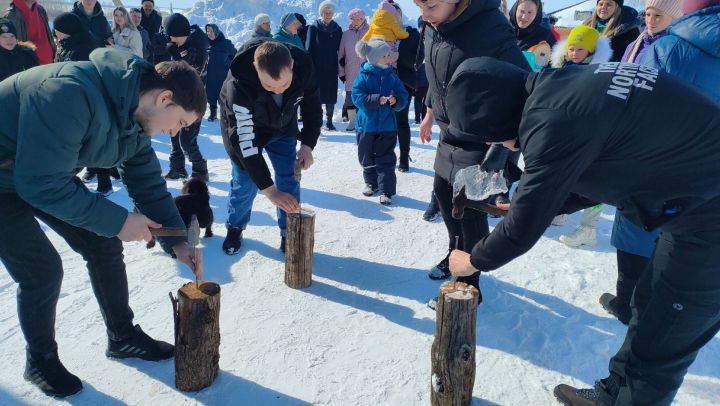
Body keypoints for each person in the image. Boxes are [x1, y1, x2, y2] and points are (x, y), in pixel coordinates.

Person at [442, 56, 720, 406]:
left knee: (661, 346)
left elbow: (521, 232)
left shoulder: (553, 121)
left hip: (709, 220)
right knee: (647, 308)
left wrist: (473, 261)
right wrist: (547, 201)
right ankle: (610, 396)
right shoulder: (561, 87)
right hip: (696, 206)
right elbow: (600, 167)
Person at [0, 48, 205, 398]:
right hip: (14, 180)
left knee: (103, 242)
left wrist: (177, 241)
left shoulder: (135, 119)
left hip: (41, 171)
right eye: (180, 122)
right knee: (42, 271)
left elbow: (148, 185)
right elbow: (39, 184)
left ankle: (122, 337)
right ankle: (40, 360)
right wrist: (119, 220)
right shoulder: (68, 92)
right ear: (164, 98)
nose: (175, 133)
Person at [602, 0, 716, 325]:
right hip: (706, 173)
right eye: (647, 14)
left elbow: (634, 107)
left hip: (654, 161)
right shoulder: (643, 42)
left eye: (658, 14)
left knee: (639, 229)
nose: (650, 20)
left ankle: (629, 305)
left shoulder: (669, 49)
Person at [412, 0, 530, 290]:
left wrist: (506, 142)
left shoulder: (489, 27)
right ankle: (455, 254)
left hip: (482, 134)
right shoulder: (433, 25)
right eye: (419, 6)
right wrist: (429, 113)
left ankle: (468, 280)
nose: (424, 15)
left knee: (467, 207)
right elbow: (436, 75)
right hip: (449, 129)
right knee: (442, 192)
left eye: (430, 6)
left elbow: (523, 82)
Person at [219, 40, 322, 255]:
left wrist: (307, 145)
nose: (277, 90)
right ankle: (235, 226)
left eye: (284, 85)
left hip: (283, 126)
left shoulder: (304, 67)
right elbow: (244, 141)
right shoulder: (238, 85)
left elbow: (312, 107)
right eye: (269, 87)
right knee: (245, 181)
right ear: (256, 69)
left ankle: (289, 230)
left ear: (292, 65)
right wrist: (269, 190)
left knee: (288, 178)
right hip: (245, 129)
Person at [352, 39, 408, 205]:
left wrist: (395, 100)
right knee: (366, 156)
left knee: (386, 158)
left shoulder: (392, 76)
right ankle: (371, 182)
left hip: (387, 126)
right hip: (366, 126)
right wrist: (376, 99)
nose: (388, 57)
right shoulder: (363, 76)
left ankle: (386, 191)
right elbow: (357, 97)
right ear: (375, 58)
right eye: (384, 55)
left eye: (388, 54)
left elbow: (403, 95)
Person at [164, 13, 209, 182]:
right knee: (173, 134)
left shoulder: (198, 46)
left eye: (173, 36)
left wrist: (176, 56)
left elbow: (191, 72)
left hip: (193, 101)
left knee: (187, 140)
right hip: (176, 97)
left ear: (182, 33)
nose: (170, 39)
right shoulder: (179, 43)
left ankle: (200, 171)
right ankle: (177, 168)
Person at [306, 0, 342, 131]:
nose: (328, 15)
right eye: (326, 12)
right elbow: (309, 48)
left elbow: (341, 49)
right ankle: (317, 121)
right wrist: (309, 67)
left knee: (330, 95)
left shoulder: (337, 29)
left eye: (330, 12)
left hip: (331, 67)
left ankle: (330, 121)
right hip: (317, 67)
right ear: (321, 13)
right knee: (316, 95)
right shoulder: (313, 27)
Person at [393, 2, 421, 172]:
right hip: (381, 84)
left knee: (401, 121)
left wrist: (396, 58)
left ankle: (404, 157)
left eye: (396, 13)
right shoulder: (380, 34)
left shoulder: (411, 35)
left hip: (403, 84)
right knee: (383, 123)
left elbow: (416, 60)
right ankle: (384, 157)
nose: (393, 17)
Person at [338, 8, 368, 132]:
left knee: (365, 98)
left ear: (363, 19)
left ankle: (362, 122)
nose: (357, 21)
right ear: (351, 19)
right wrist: (342, 72)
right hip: (350, 71)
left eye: (359, 19)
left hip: (366, 72)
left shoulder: (370, 31)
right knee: (350, 98)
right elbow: (341, 55)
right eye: (354, 19)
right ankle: (352, 122)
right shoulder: (345, 34)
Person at [2, 0, 54, 65]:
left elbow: (49, 37)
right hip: (29, 68)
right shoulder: (11, 16)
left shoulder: (40, 10)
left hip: (49, 65)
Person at [205, 23, 236, 122]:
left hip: (223, 74)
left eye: (212, 31)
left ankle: (226, 113)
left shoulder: (226, 43)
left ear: (216, 32)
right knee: (211, 93)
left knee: (224, 95)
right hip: (210, 74)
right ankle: (213, 114)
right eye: (208, 31)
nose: (209, 33)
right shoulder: (206, 43)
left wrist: (229, 64)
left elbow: (235, 54)